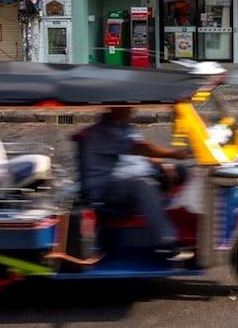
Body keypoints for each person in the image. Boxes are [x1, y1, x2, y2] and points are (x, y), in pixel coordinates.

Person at [78, 107, 192, 259]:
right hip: (107, 189)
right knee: (143, 186)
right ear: (115, 108)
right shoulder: (102, 132)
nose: (132, 110)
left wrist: (162, 163)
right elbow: (139, 147)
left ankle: (189, 229)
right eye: (128, 107)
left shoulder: (125, 127)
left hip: (132, 177)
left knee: (182, 171)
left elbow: (138, 154)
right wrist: (174, 154)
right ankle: (167, 242)